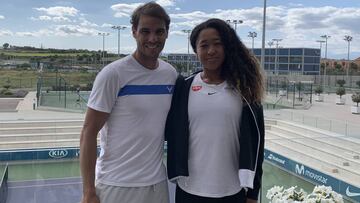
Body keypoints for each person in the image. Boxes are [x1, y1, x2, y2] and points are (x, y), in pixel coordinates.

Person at [80, 2, 177, 203]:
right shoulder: (113, 74)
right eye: (145, 31)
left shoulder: (170, 74)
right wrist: (89, 191)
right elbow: (88, 132)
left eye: (159, 31)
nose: (153, 38)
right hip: (117, 185)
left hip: (157, 185)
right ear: (134, 32)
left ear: (167, 33)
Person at [165, 18, 265, 203]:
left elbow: (257, 143)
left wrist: (252, 193)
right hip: (189, 190)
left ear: (227, 47)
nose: (211, 51)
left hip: (232, 192)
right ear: (196, 51)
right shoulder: (183, 87)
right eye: (204, 45)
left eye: (217, 44)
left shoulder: (245, 91)